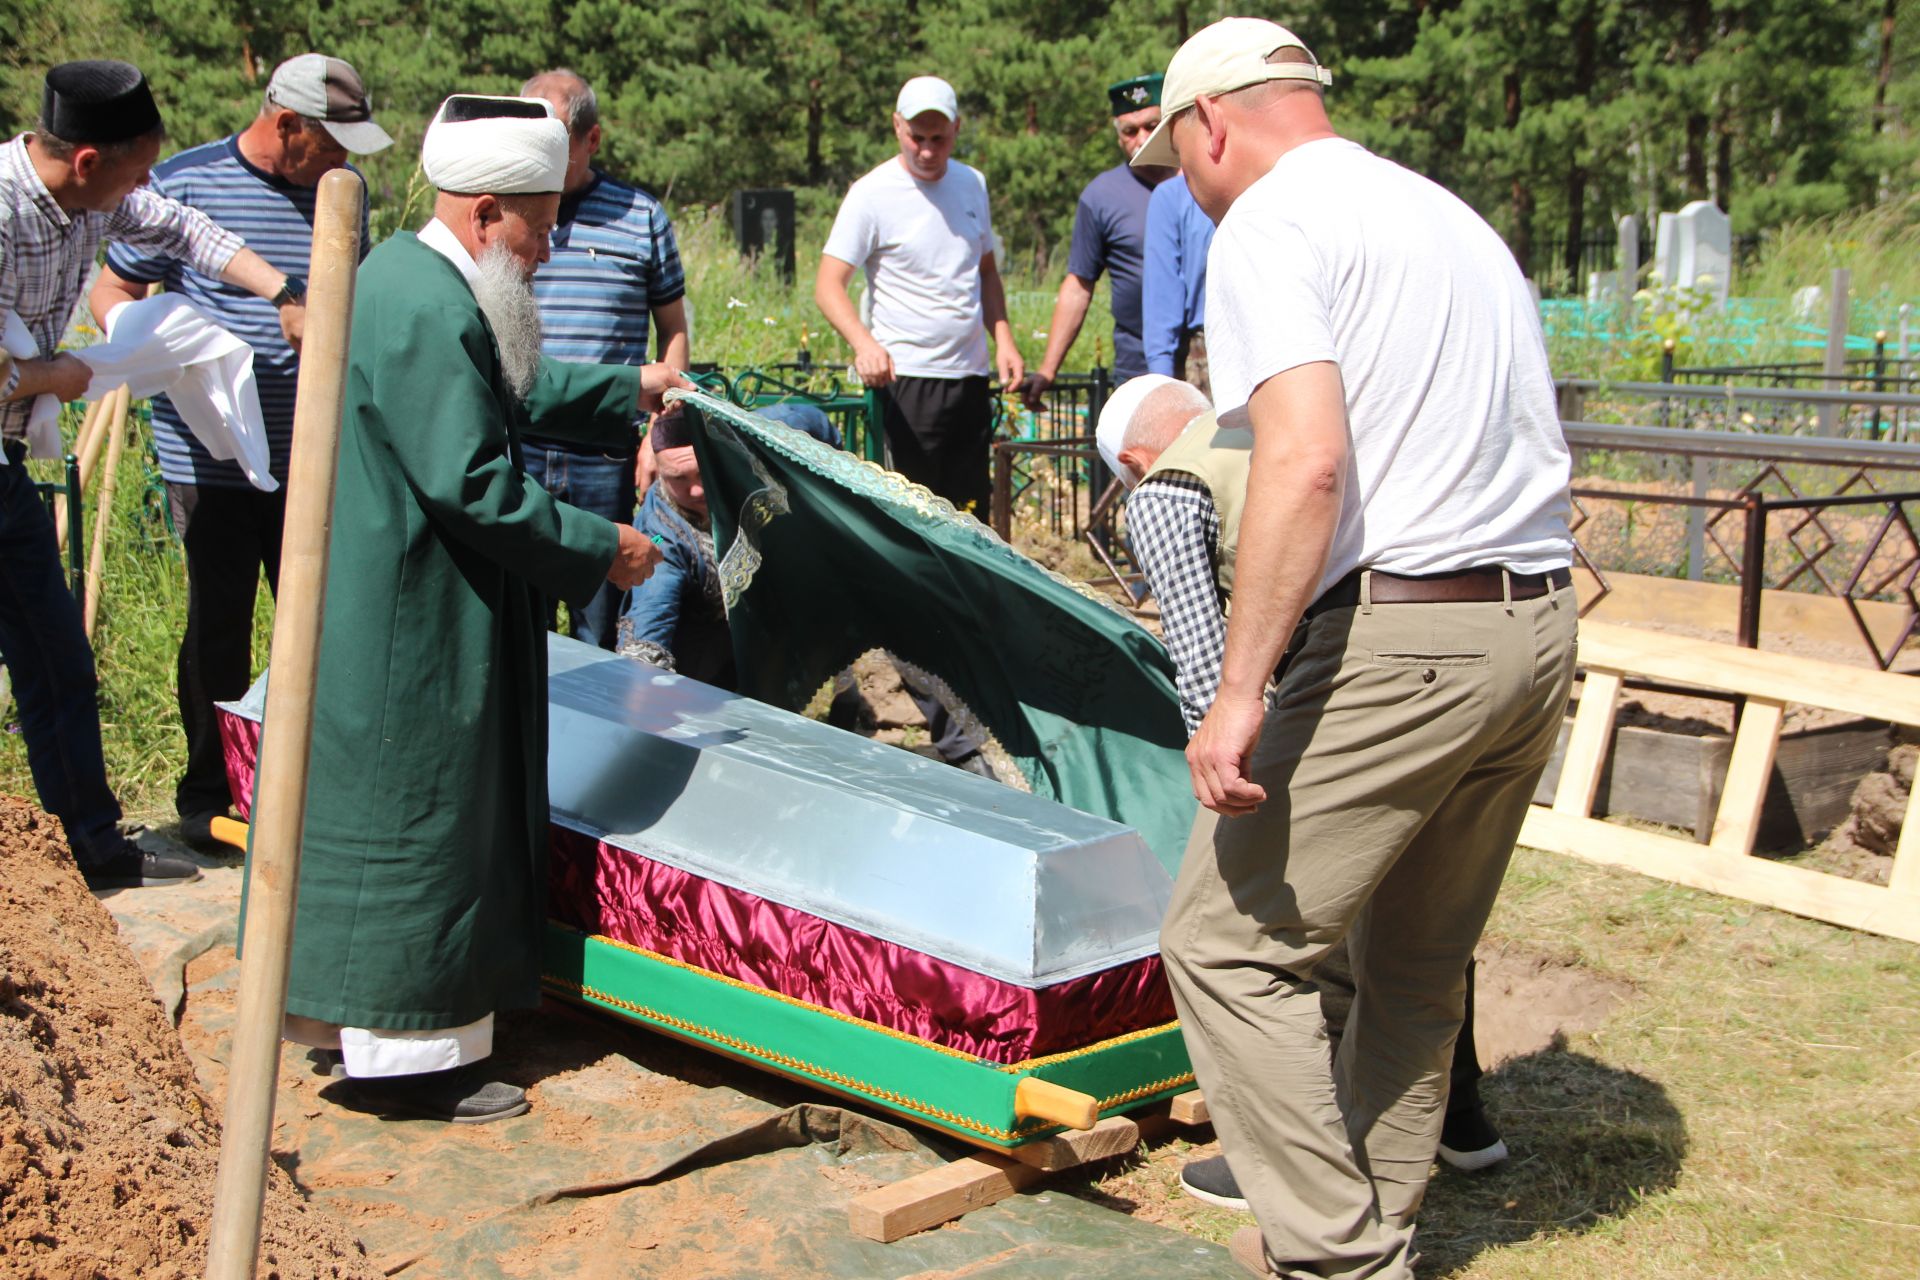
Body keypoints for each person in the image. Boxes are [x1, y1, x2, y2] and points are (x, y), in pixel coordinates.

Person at [1132, 20, 1576, 1277]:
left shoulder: (1272, 225)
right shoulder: (1453, 217)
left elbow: (1305, 458)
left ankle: (1337, 1256)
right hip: (1535, 624)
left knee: (1222, 944)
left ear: (1210, 124)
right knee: (1417, 968)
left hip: (1408, 632)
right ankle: (1375, 1231)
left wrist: (1236, 689)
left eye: (1181, 164)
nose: (1191, 192)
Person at [279, 94, 686, 1124]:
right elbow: (471, 479)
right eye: (542, 229)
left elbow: (508, 384)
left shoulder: (430, 283)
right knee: (420, 812)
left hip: (421, 594)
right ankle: (409, 1055)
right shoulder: (422, 301)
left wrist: (627, 388)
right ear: (486, 214)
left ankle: (373, 1025)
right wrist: (604, 547)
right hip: (417, 614)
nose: (550, 251)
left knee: (414, 808)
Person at [1095, 374, 1511, 1219]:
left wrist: (1241, 790)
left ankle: (1285, 1168)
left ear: (1135, 460)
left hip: (1340, 689)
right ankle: (1460, 1121)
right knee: (1415, 920)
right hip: (1465, 647)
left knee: (1263, 934)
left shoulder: (1165, 494)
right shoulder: (1271, 423)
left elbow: (1208, 668)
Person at [0, 60, 310, 889]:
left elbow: (190, 233)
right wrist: (48, 378)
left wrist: (284, 292)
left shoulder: (94, 194)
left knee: (58, 658)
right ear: (89, 161)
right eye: (137, 171)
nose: (147, 189)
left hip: (1, 470)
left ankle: (94, 849)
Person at [90, 53, 391, 856]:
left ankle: (304, 787)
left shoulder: (345, 198)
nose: (344, 160)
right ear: (285, 123)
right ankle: (209, 795)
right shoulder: (183, 186)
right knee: (218, 629)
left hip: (316, 458)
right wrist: (154, 353)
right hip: (211, 459)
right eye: (332, 142)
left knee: (323, 627)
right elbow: (112, 293)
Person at [519, 68, 689, 651]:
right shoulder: (504, 213)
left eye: (554, 139)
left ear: (592, 140)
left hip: (604, 454)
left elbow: (673, 332)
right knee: (521, 623)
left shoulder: (640, 215)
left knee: (602, 624)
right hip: (522, 444)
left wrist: (656, 434)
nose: (536, 152)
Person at [815, 75, 1023, 515]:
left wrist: (1003, 339)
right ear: (896, 127)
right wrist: (863, 343)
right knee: (911, 515)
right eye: (917, 137)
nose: (927, 151)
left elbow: (986, 271)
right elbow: (828, 284)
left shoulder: (972, 184)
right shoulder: (871, 193)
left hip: (968, 376)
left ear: (957, 130)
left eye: (939, 138)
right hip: (905, 378)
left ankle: (966, 586)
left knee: (968, 512)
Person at [617, 403, 840, 689]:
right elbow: (652, 612)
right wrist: (644, 683)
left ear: (718, 456)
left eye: (701, 473)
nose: (696, 490)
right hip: (705, 634)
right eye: (679, 479)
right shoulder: (661, 534)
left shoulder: (756, 445)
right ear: (660, 474)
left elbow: (810, 422)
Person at [1022, 74, 1169, 406]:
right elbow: (1078, 286)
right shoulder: (1101, 196)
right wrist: (1047, 369)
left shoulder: (1202, 178)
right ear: (1118, 136)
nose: (1141, 138)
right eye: (1130, 131)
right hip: (1138, 369)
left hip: (1212, 362)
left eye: (1151, 125)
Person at [1141, 172, 1213, 398]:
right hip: (1207, 359)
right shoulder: (1271, 182)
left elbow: (1162, 307)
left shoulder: (1172, 196)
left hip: (1203, 362)